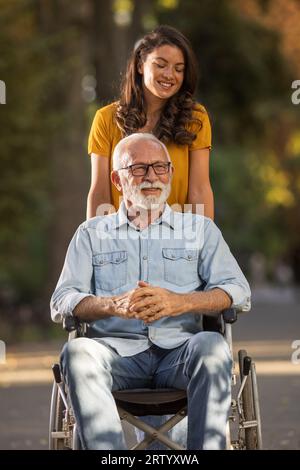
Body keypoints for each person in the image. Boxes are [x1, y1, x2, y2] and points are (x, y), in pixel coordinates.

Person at [51, 134, 250, 450]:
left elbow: (237, 290)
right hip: (116, 355)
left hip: (180, 354)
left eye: (160, 167)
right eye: (140, 169)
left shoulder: (199, 230)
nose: (153, 177)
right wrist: (113, 305)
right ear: (117, 179)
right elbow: (62, 299)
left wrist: (178, 302)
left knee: (212, 346)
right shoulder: (90, 234)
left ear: (170, 172)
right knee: (76, 353)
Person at [87, 25, 213, 220]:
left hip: (176, 241)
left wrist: (204, 244)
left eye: (178, 69)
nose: (170, 75)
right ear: (140, 65)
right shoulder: (106, 119)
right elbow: (100, 191)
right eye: (160, 65)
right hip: (122, 241)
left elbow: (199, 190)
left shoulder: (195, 118)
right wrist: (97, 242)